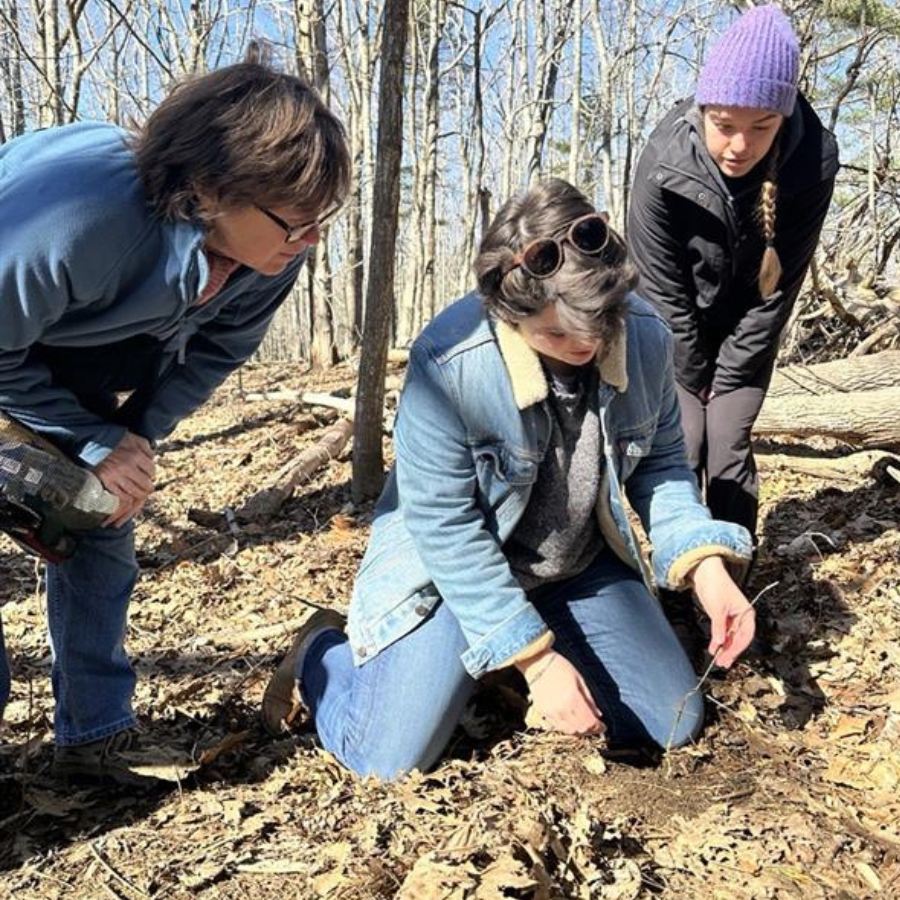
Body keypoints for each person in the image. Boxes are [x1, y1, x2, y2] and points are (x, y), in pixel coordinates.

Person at [262, 178, 756, 783]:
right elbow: (445, 526)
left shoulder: (646, 336)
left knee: (671, 722)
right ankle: (321, 655)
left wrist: (704, 565)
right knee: (385, 760)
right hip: (448, 577)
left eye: (600, 327)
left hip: (573, 564)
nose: (585, 345)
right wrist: (537, 661)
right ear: (508, 313)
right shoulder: (449, 363)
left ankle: (507, 651)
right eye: (557, 334)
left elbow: (660, 463)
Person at [0, 46, 351, 785]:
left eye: (320, 219)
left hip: (59, 359)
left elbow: (211, 357)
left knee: (103, 522)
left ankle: (93, 740)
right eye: (295, 220)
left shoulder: (266, 258)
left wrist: (127, 446)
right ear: (213, 187)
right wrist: (90, 437)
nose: (310, 239)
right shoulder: (81, 214)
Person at [627, 4, 838, 548]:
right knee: (683, 443)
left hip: (749, 329)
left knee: (727, 446)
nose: (739, 146)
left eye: (760, 128)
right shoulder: (664, 157)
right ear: (703, 111)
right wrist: (693, 370)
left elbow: (778, 291)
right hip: (671, 325)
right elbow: (658, 282)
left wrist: (727, 375)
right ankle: (677, 580)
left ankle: (737, 583)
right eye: (724, 126)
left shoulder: (812, 161)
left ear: (783, 119)